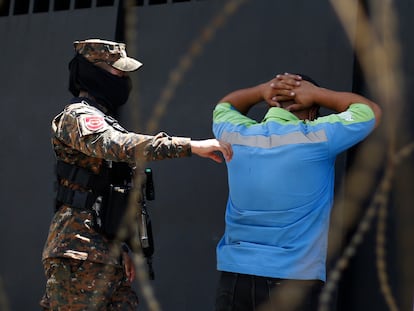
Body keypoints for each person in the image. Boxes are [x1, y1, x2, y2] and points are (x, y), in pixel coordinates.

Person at [40, 38, 232, 311]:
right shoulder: (78, 117)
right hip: (78, 253)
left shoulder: (107, 120)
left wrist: (120, 249)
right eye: (117, 72)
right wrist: (190, 146)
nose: (123, 79)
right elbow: (119, 146)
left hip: (106, 254)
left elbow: (105, 193)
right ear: (95, 72)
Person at [212, 73, 382, 311]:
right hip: (293, 282)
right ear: (313, 112)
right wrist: (317, 94)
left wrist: (262, 89)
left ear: (271, 103)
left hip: (234, 278)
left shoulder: (235, 136)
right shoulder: (318, 136)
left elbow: (224, 106)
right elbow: (370, 112)